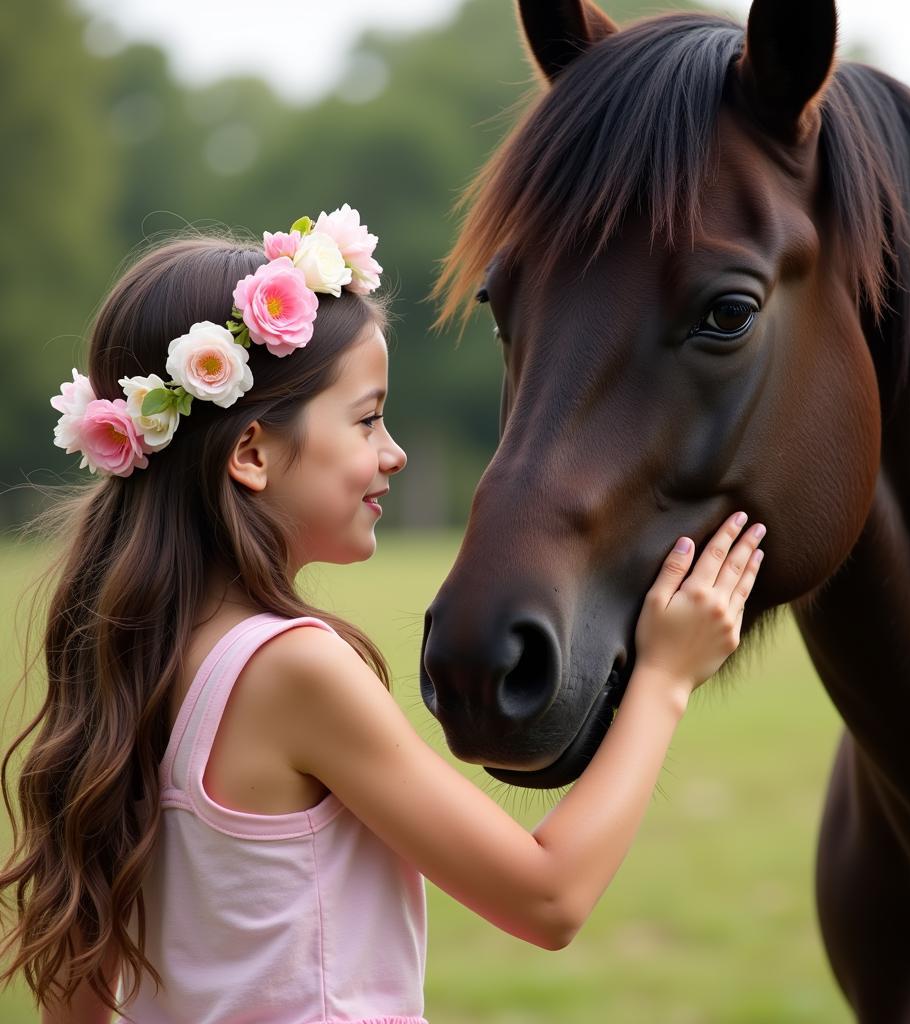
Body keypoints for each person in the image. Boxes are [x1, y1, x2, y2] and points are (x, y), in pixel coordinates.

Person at [0, 209, 766, 1024]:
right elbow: (549, 898)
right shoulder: (291, 670)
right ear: (251, 453)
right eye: (367, 420)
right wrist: (665, 679)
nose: (392, 451)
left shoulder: (135, 658)